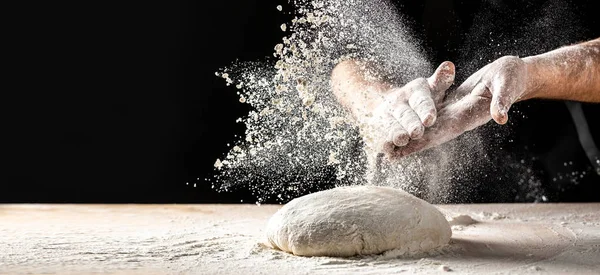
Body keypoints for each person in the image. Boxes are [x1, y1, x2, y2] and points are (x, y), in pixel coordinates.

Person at [330, 0, 600, 202]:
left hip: (556, 185)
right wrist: (378, 99)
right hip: (403, 187)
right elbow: (347, 63)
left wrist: (532, 74)